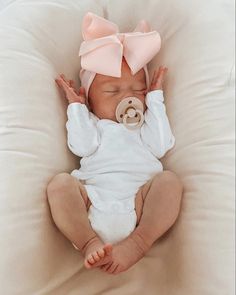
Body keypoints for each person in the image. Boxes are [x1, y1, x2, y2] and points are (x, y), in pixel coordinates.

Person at [46, 12, 183, 275]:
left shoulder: (144, 128)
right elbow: (82, 147)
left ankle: (139, 241)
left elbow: (162, 145)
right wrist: (76, 108)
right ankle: (87, 241)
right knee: (60, 185)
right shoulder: (94, 125)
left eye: (137, 90)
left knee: (170, 183)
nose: (128, 98)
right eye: (112, 91)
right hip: (92, 201)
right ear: (91, 100)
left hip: (140, 203)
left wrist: (155, 100)